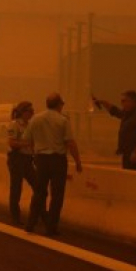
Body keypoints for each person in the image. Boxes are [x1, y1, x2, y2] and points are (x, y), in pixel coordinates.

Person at [23, 93, 82, 236]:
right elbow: (70, 142)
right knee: (57, 195)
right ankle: (51, 227)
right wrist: (78, 161)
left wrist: (35, 153)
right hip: (58, 160)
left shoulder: (35, 119)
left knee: (39, 192)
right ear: (59, 105)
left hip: (41, 159)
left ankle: (30, 223)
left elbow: (27, 140)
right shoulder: (63, 120)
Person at [95, 90, 136, 171]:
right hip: (127, 153)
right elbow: (117, 112)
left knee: (132, 178)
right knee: (127, 176)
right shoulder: (128, 113)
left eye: (124, 101)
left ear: (133, 101)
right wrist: (104, 103)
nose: (122, 103)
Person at [3, 101, 36, 226]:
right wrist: (27, 144)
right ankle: (15, 217)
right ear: (23, 112)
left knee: (37, 186)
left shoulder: (30, 125)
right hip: (16, 159)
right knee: (16, 188)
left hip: (28, 159)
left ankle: (37, 214)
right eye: (30, 111)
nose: (32, 113)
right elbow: (12, 143)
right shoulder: (14, 125)